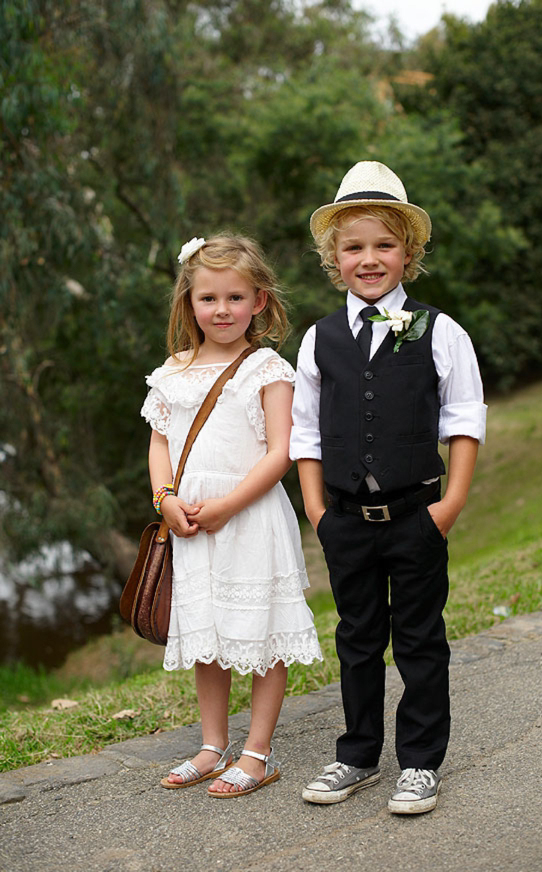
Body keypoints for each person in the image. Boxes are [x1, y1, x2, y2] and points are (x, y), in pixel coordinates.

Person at [290, 161, 486, 814]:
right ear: (334, 258)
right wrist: (317, 510)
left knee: (421, 639)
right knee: (358, 638)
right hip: (344, 518)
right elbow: (306, 434)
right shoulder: (318, 341)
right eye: (354, 247)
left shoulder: (440, 331)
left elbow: (463, 420)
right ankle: (357, 755)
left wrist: (448, 506)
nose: (369, 259)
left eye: (384, 245)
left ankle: (422, 762)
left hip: (416, 516)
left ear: (408, 252)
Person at [142, 233, 322, 797]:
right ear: (188, 303)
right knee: (208, 635)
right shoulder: (173, 369)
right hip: (192, 521)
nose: (222, 311)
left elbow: (280, 450)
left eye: (236, 298)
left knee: (262, 634)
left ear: (260, 300)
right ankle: (211, 743)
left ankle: (257, 752)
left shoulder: (266, 367)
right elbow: (159, 443)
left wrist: (227, 505)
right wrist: (164, 499)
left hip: (249, 518)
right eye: (209, 299)